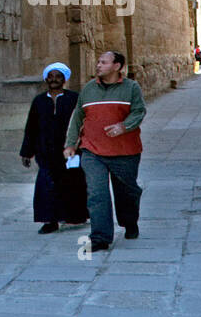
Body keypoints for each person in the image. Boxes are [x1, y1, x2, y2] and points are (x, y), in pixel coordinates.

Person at [63, 50, 146, 251]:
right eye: (98, 62)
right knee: (96, 193)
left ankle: (129, 221)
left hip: (125, 152)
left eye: (103, 62)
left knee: (126, 192)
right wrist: (71, 143)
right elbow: (78, 117)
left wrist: (123, 126)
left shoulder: (131, 88)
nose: (98, 65)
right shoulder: (89, 89)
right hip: (92, 151)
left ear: (117, 66)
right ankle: (100, 237)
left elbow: (139, 111)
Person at [20, 62, 89, 233]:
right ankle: (50, 221)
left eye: (58, 76)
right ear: (46, 79)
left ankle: (74, 216)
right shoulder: (39, 101)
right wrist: (27, 152)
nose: (54, 80)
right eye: (50, 76)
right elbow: (31, 127)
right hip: (45, 151)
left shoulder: (74, 98)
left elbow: (83, 123)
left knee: (72, 183)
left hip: (69, 150)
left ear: (64, 79)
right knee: (47, 185)